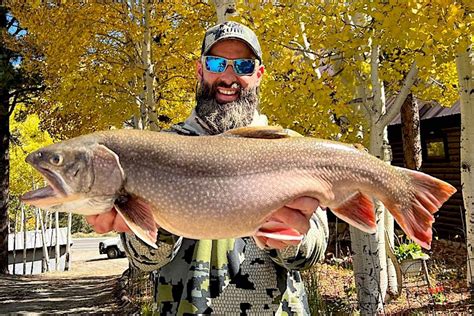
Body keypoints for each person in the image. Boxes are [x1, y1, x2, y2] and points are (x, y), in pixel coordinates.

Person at [86, 21, 329, 315]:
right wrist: (154, 223)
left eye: (243, 66)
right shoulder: (155, 150)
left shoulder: (291, 149)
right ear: (200, 70)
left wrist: (290, 239)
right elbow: (144, 260)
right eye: (216, 63)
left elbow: (311, 253)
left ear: (259, 75)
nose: (228, 77)